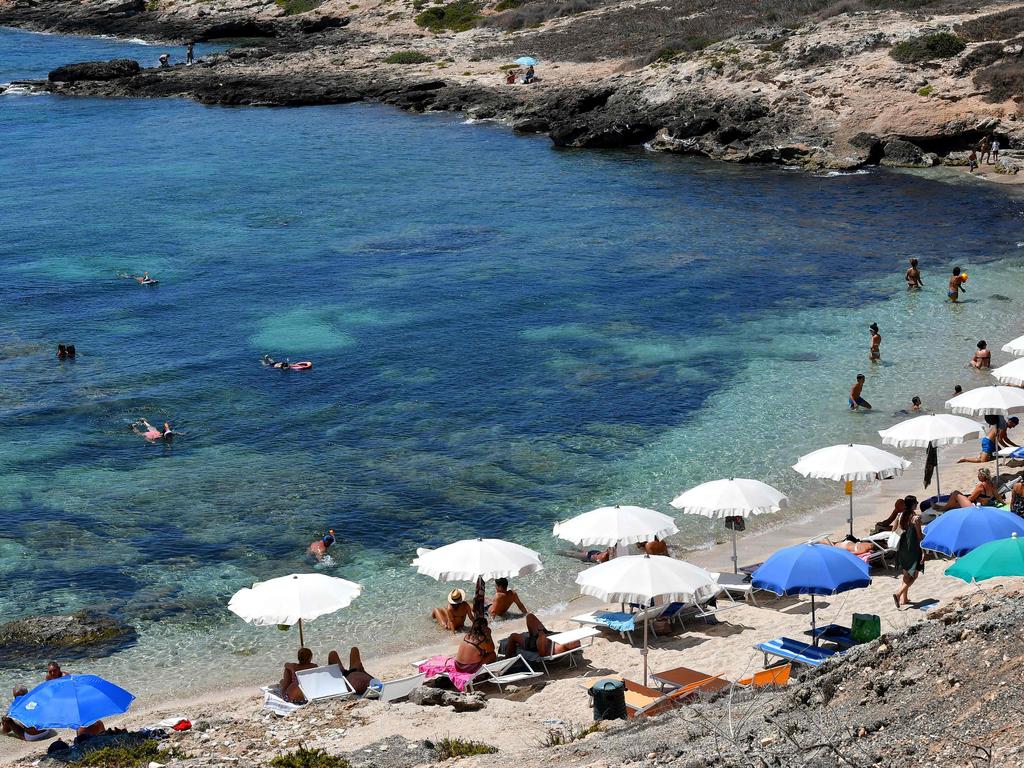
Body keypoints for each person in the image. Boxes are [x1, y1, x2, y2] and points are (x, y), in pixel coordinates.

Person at [893, 496, 924, 609]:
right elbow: (919, 536)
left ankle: (904, 599)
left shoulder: (900, 515)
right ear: (913, 504)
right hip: (912, 548)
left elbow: (894, 531)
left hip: (902, 547)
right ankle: (898, 594)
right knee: (914, 575)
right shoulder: (915, 518)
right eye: (916, 502)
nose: (917, 503)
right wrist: (924, 551)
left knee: (906, 574)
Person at [504, 613, 581, 658]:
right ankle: (532, 635)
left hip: (536, 643)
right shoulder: (565, 644)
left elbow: (542, 653)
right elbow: (576, 643)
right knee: (529, 616)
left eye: (571, 642)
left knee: (513, 636)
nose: (570, 640)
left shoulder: (557, 650)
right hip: (546, 635)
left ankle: (507, 658)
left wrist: (541, 636)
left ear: (569, 647)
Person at [936, 468, 1003, 508]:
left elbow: (971, 498)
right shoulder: (991, 484)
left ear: (983, 476)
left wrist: (960, 501)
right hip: (988, 505)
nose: (978, 476)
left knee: (955, 493)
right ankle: (945, 506)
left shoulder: (981, 485)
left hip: (976, 507)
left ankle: (943, 508)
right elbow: (998, 497)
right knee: (958, 497)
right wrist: (1004, 504)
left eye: (979, 475)